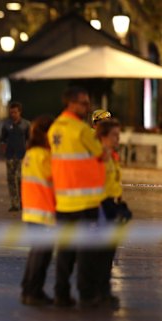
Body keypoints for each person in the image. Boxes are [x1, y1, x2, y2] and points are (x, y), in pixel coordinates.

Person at [48, 86, 106, 308]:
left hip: (63, 200)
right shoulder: (81, 130)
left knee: (65, 251)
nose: (87, 107)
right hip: (85, 201)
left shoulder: (55, 128)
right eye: (83, 103)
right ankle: (86, 294)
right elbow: (101, 156)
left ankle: (61, 293)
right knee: (86, 252)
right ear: (70, 103)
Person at [20, 116, 56, 306]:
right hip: (43, 210)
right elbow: (54, 179)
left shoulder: (31, 153)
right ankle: (33, 291)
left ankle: (29, 289)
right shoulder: (42, 155)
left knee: (38, 252)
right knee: (41, 254)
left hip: (33, 210)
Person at [95, 118, 127, 307]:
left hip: (111, 207)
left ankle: (104, 292)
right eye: (115, 135)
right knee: (100, 254)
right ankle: (96, 294)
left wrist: (119, 203)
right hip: (100, 208)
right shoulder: (97, 156)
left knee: (109, 254)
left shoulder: (111, 155)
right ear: (103, 136)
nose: (118, 139)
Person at [0, 101, 31, 212]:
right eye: (11, 112)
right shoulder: (6, 124)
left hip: (22, 156)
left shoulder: (26, 124)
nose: (13, 114)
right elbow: (2, 140)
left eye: (15, 112)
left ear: (20, 112)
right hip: (10, 156)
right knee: (11, 180)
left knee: (21, 180)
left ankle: (24, 202)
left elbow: (30, 140)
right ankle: (14, 204)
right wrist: (4, 151)